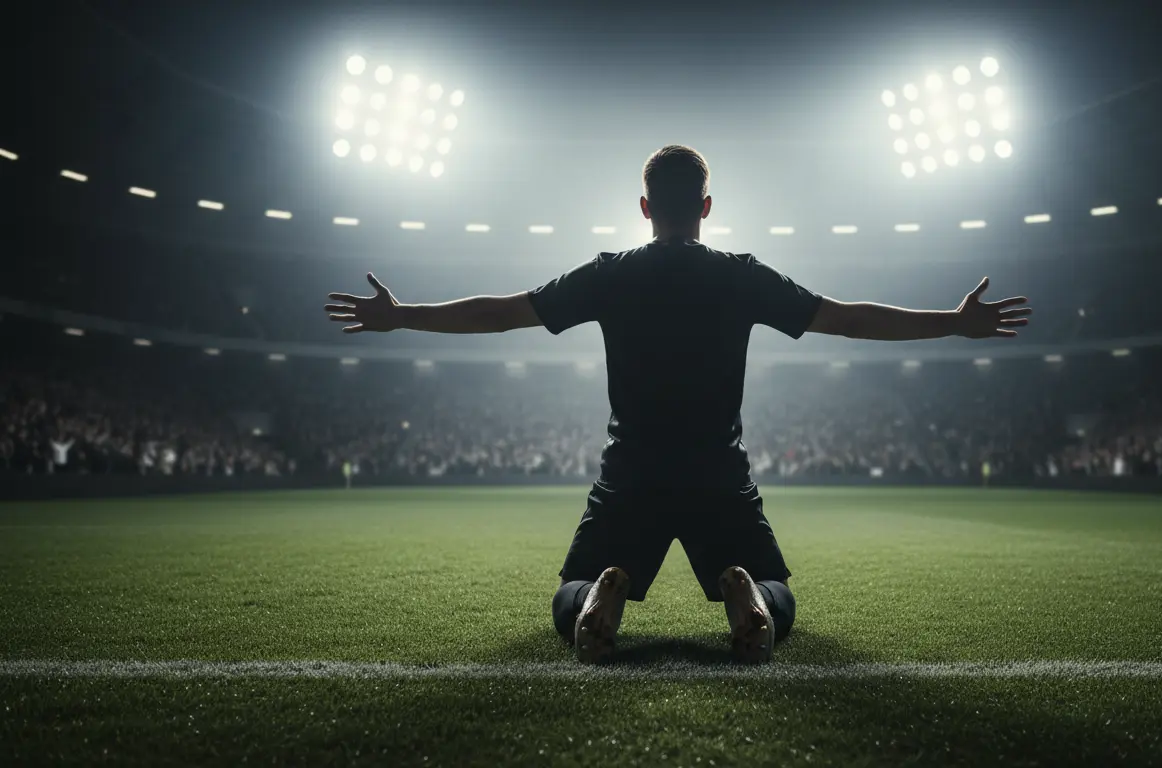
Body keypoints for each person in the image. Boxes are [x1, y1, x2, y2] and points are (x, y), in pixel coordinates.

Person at [324, 145, 1031, 664]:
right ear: (706, 208)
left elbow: (504, 313)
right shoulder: (741, 276)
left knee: (567, 594)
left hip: (631, 470)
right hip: (717, 472)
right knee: (780, 594)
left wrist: (402, 314)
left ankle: (606, 592)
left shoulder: (609, 274)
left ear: (643, 208)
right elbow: (846, 318)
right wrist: (951, 320)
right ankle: (745, 591)